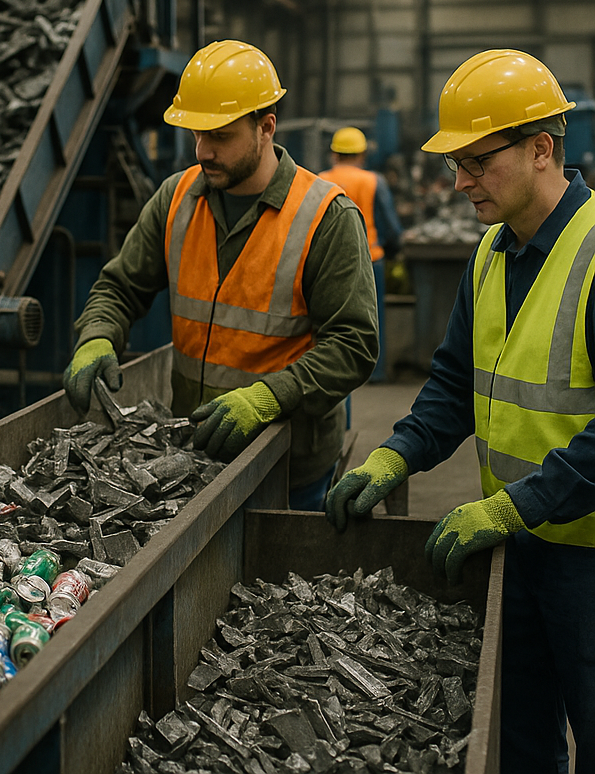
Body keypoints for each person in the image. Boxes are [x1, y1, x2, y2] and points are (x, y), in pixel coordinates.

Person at [325, 49, 595, 773]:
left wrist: (515, 507)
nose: (461, 181)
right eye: (456, 164)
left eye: (477, 160)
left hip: (587, 561)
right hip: (517, 550)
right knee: (519, 742)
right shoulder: (488, 256)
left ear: (542, 149)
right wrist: (396, 453)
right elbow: (452, 386)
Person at [63, 40, 378, 510]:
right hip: (194, 460)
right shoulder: (177, 197)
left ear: (265, 127)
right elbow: (120, 286)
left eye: (221, 136)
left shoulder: (325, 217)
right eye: (197, 135)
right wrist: (97, 333)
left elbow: (353, 345)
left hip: (289, 469)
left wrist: (269, 397)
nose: (203, 150)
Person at [320, 126, 403, 382]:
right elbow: (389, 223)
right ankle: (375, 373)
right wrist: (394, 249)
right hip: (370, 258)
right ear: (363, 154)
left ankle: (338, 372)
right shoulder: (373, 180)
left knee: (332, 321)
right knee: (372, 318)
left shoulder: (319, 180)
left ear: (334, 154)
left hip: (329, 260)